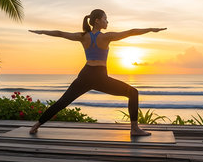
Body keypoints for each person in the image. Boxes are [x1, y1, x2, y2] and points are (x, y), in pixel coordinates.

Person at [28, 9, 166, 136]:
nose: (107, 21)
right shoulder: (107, 37)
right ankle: (134, 129)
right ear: (97, 21)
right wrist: (151, 29)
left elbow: (60, 33)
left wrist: (42, 31)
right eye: (105, 19)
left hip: (85, 75)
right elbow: (131, 31)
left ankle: (35, 126)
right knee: (133, 92)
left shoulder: (82, 36)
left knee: (62, 102)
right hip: (100, 77)